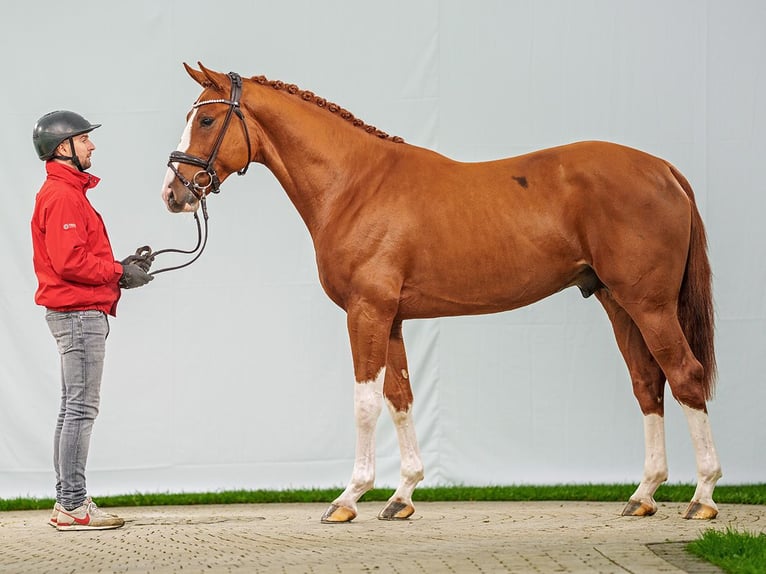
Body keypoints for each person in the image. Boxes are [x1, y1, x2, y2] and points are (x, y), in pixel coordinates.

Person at [31, 110, 154, 531]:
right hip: (78, 314)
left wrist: (121, 266)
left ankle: (69, 501)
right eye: (84, 139)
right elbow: (69, 262)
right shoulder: (63, 195)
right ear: (63, 147)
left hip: (76, 312)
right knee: (80, 410)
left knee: (73, 409)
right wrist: (118, 272)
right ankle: (71, 505)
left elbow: (79, 257)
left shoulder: (67, 192)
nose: (92, 146)